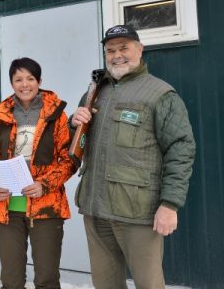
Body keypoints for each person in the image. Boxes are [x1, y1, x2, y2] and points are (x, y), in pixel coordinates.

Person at [71, 25, 196, 289]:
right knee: (105, 284)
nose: (117, 55)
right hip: (96, 209)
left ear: (140, 49)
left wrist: (170, 204)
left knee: (148, 284)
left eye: (124, 48)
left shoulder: (160, 94)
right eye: (110, 50)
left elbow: (181, 149)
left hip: (137, 212)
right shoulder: (95, 92)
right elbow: (77, 143)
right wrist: (74, 123)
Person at [0, 57, 78, 289]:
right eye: (18, 79)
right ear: (11, 82)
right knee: (11, 280)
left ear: (39, 81)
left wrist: (44, 184)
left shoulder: (55, 113)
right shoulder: (0, 114)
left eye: (30, 78)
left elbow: (69, 160)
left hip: (46, 207)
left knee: (47, 279)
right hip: (9, 207)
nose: (24, 84)